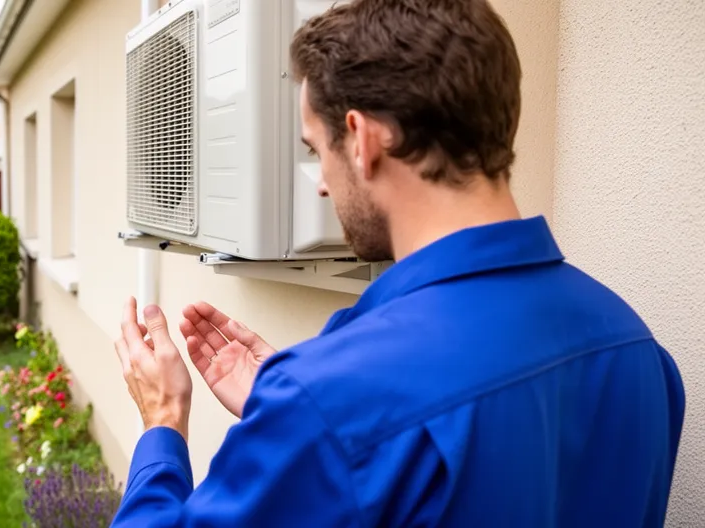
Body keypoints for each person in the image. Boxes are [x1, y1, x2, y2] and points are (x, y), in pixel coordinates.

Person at [110, 0, 686, 526]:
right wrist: (290, 418)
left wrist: (164, 421)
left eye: (316, 150)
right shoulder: (637, 348)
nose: (320, 187)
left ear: (361, 139)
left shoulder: (332, 401)